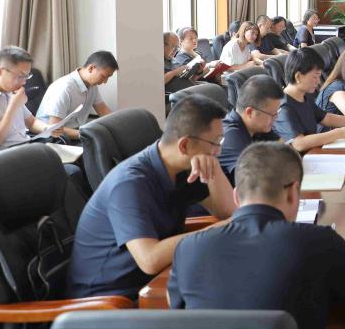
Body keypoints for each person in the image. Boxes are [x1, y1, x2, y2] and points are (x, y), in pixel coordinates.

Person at [168, 142, 345, 329]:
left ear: (236, 196)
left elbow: (175, 305)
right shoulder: (318, 242)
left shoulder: (187, 248)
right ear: (293, 193)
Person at [66, 95, 235, 299]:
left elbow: (228, 212)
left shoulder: (184, 167)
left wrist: (214, 167)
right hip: (108, 301)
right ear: (184, 145)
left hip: (153, 284)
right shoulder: (129, 183)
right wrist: (219, 230)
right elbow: (149, 260)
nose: (219, 150)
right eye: (215, 142)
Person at [277, 48, 345, 153]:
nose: (318, 81)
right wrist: (340, 133)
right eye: (315, 77)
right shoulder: (283, 106)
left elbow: (327, 118)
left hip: (313, 153)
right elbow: (299, 144)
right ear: (298, 77)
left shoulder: (304, 97)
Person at [0, 46, 50, 149]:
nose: (24, 82)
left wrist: (49, 128)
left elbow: (32, 122)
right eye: (20, 76)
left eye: (27, 76)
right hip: (6, 154)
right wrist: (13, 106)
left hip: (26, 147)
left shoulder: (10, 91)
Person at [36, 50, 118, 140]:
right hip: (53, 137)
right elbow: (54, 128)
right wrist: (87, 135)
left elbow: (103, 110)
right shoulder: (64, 88)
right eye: (103, 76)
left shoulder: (92, 86)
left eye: (108, 77)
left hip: (76, 131)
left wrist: (119, 124)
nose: (105, 82)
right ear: (91, 68)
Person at [218, 76, 284, 183]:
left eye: (277, 112)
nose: (276, 118)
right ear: (250, 112)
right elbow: (254, 179)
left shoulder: (259, 125)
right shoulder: (231, 135)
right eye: (272, 114)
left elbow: (284, 150)